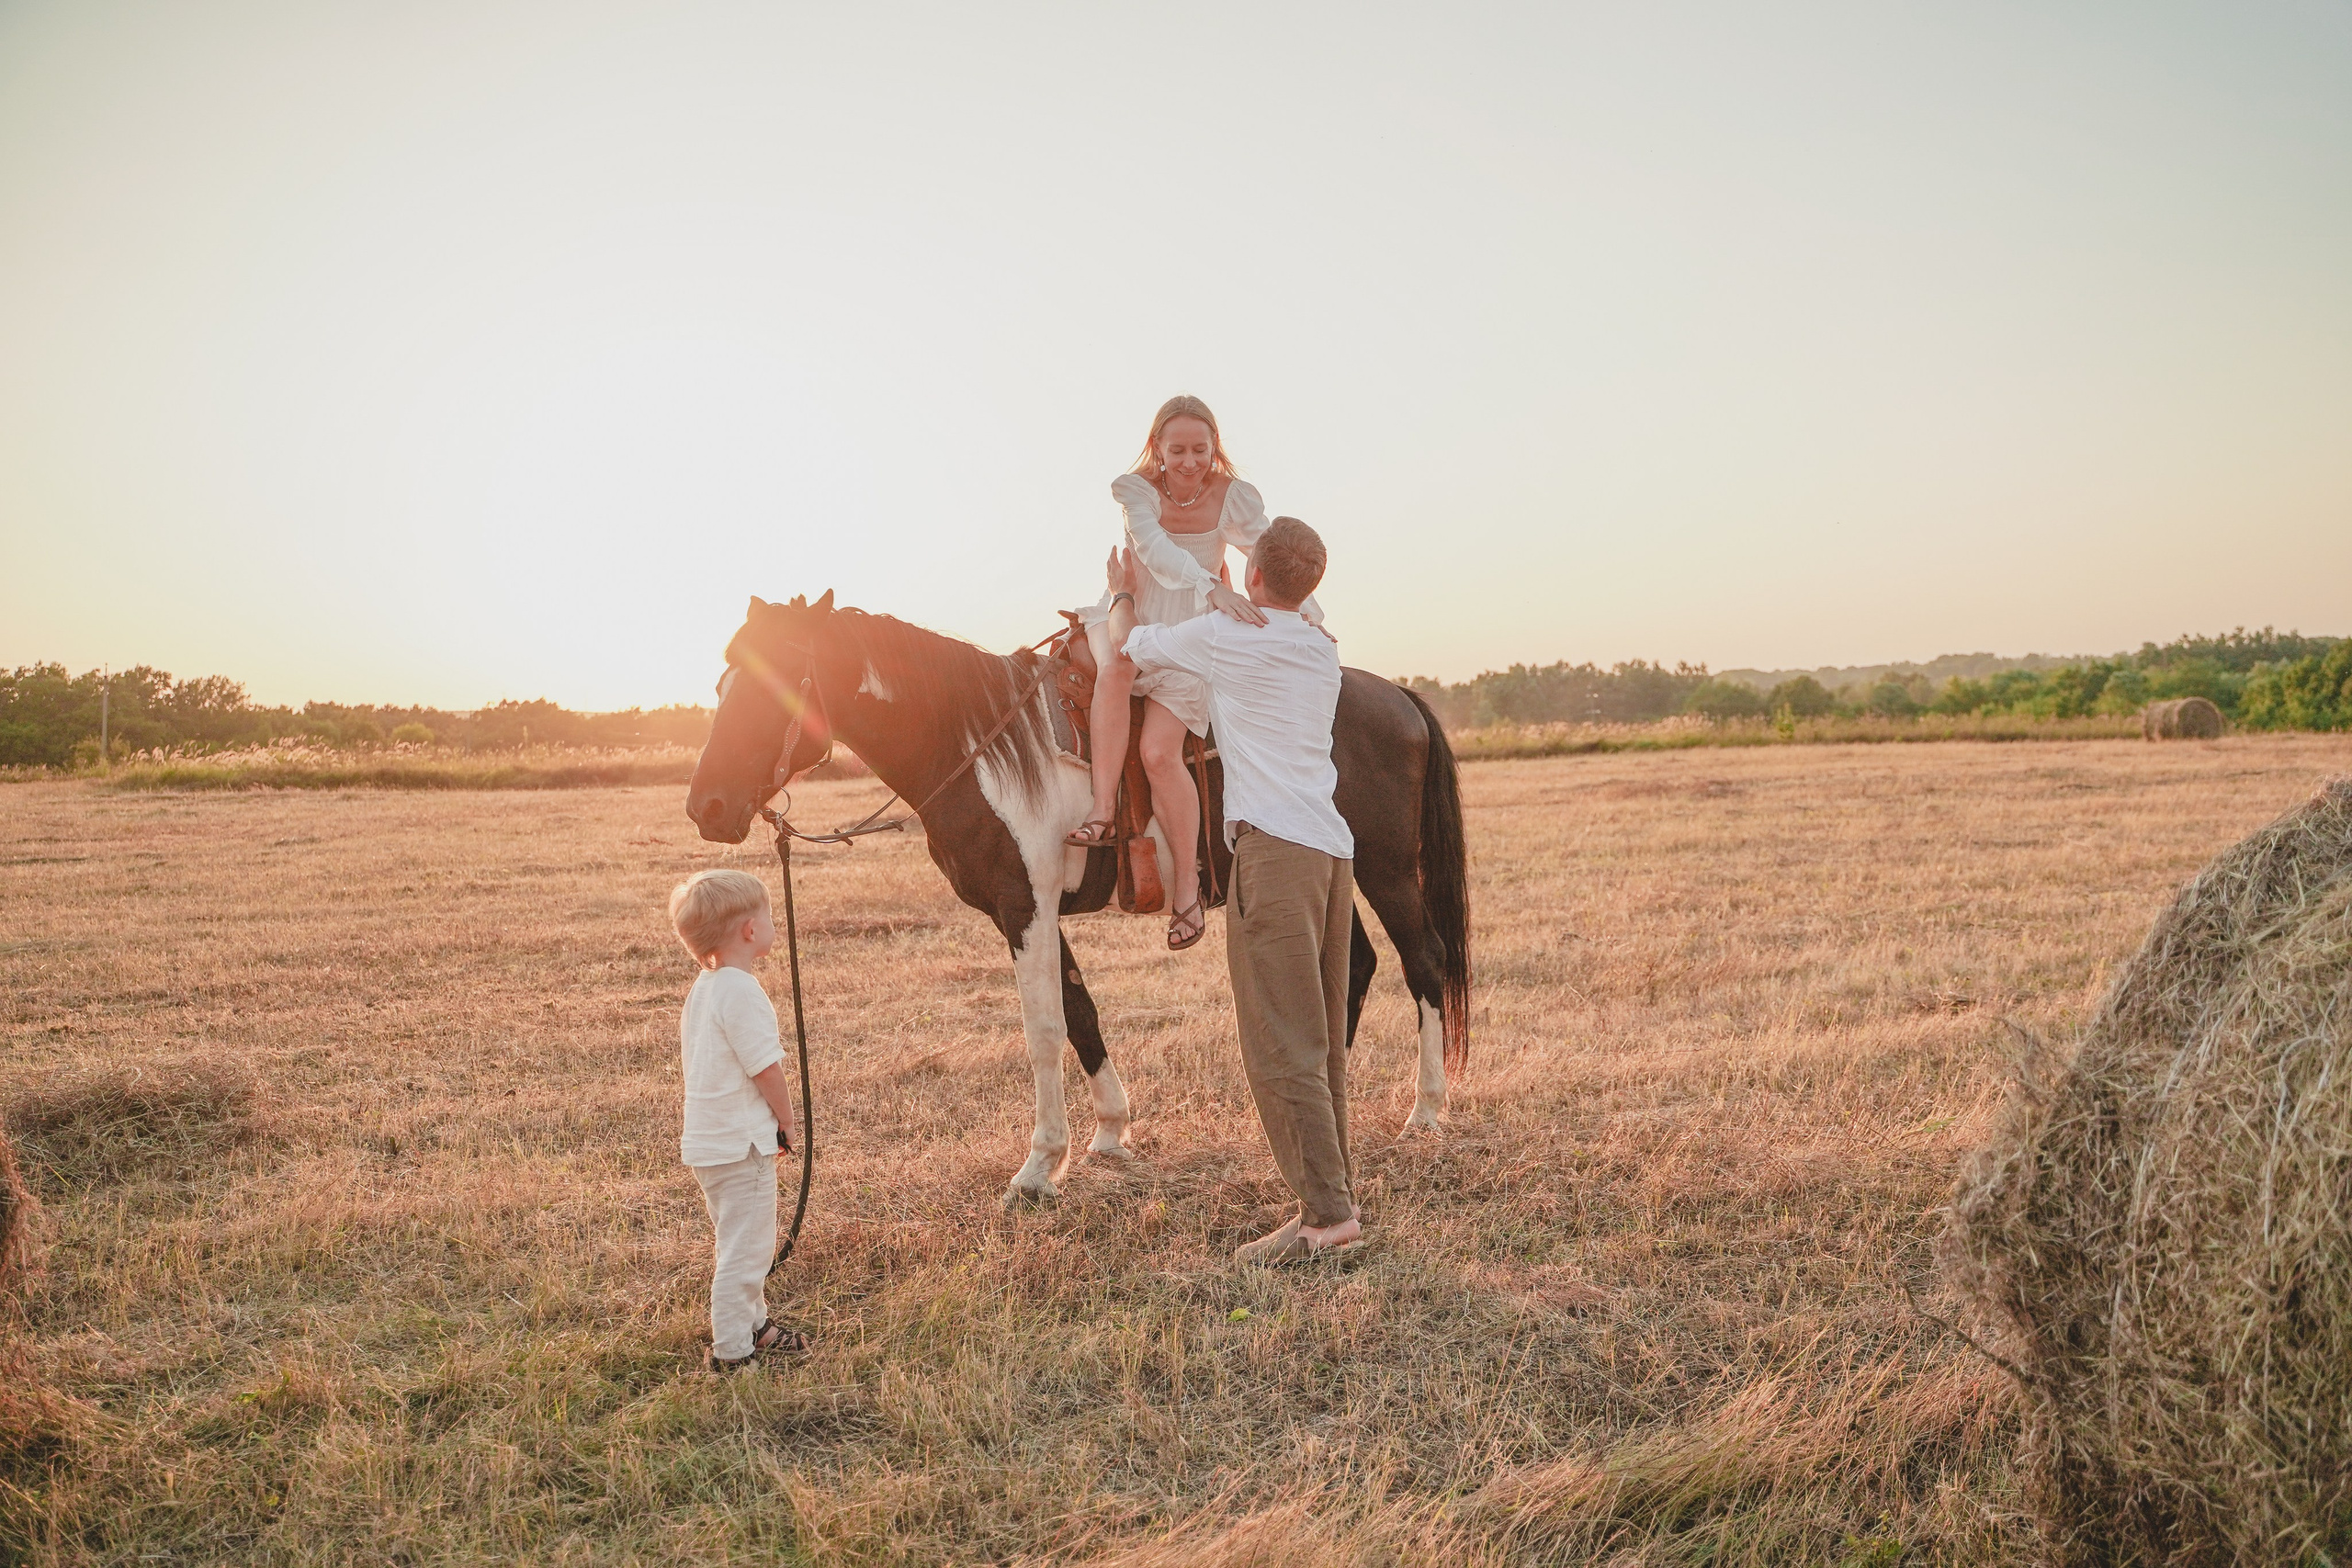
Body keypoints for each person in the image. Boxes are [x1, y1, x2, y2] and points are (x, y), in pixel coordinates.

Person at [1107, 518, 1363, 1264]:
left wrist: (1125, 588)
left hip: (1275, 853)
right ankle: (1334, 1192)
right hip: (1329, 852)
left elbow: (1130, 643)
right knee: (1317, 1038)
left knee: (1280, 1038)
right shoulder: (1321, 647)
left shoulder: (1225, 636)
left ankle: (1325, 1216)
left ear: (1252, 574)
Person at [1067, 395, 1324, 953]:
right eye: (1177, 449)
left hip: (1193, 626)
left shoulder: (1233, 496)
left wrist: (1310, 614)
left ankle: (1188, 887)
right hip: (1134, 607)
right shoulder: (1134, 490)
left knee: (1161, 754)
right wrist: (1214, 585)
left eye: (1200, 450)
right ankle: (1102, 809)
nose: (1188, 461)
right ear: (1157, 448)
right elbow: (1154, 551)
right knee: (1114, 669)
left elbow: (1269, 553)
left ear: (1214, 450)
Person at [668, 868, 812, 1371]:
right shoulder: (742, 991)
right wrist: (788, 1121)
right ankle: (732, 1352)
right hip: (741, 1146)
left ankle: (757, 1325)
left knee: (741, 1240)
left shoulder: (705, 987)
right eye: (769, 917)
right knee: (745, 1254)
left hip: (711, 1144)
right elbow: (765, 1068)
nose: (773, 925)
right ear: (751, 930)